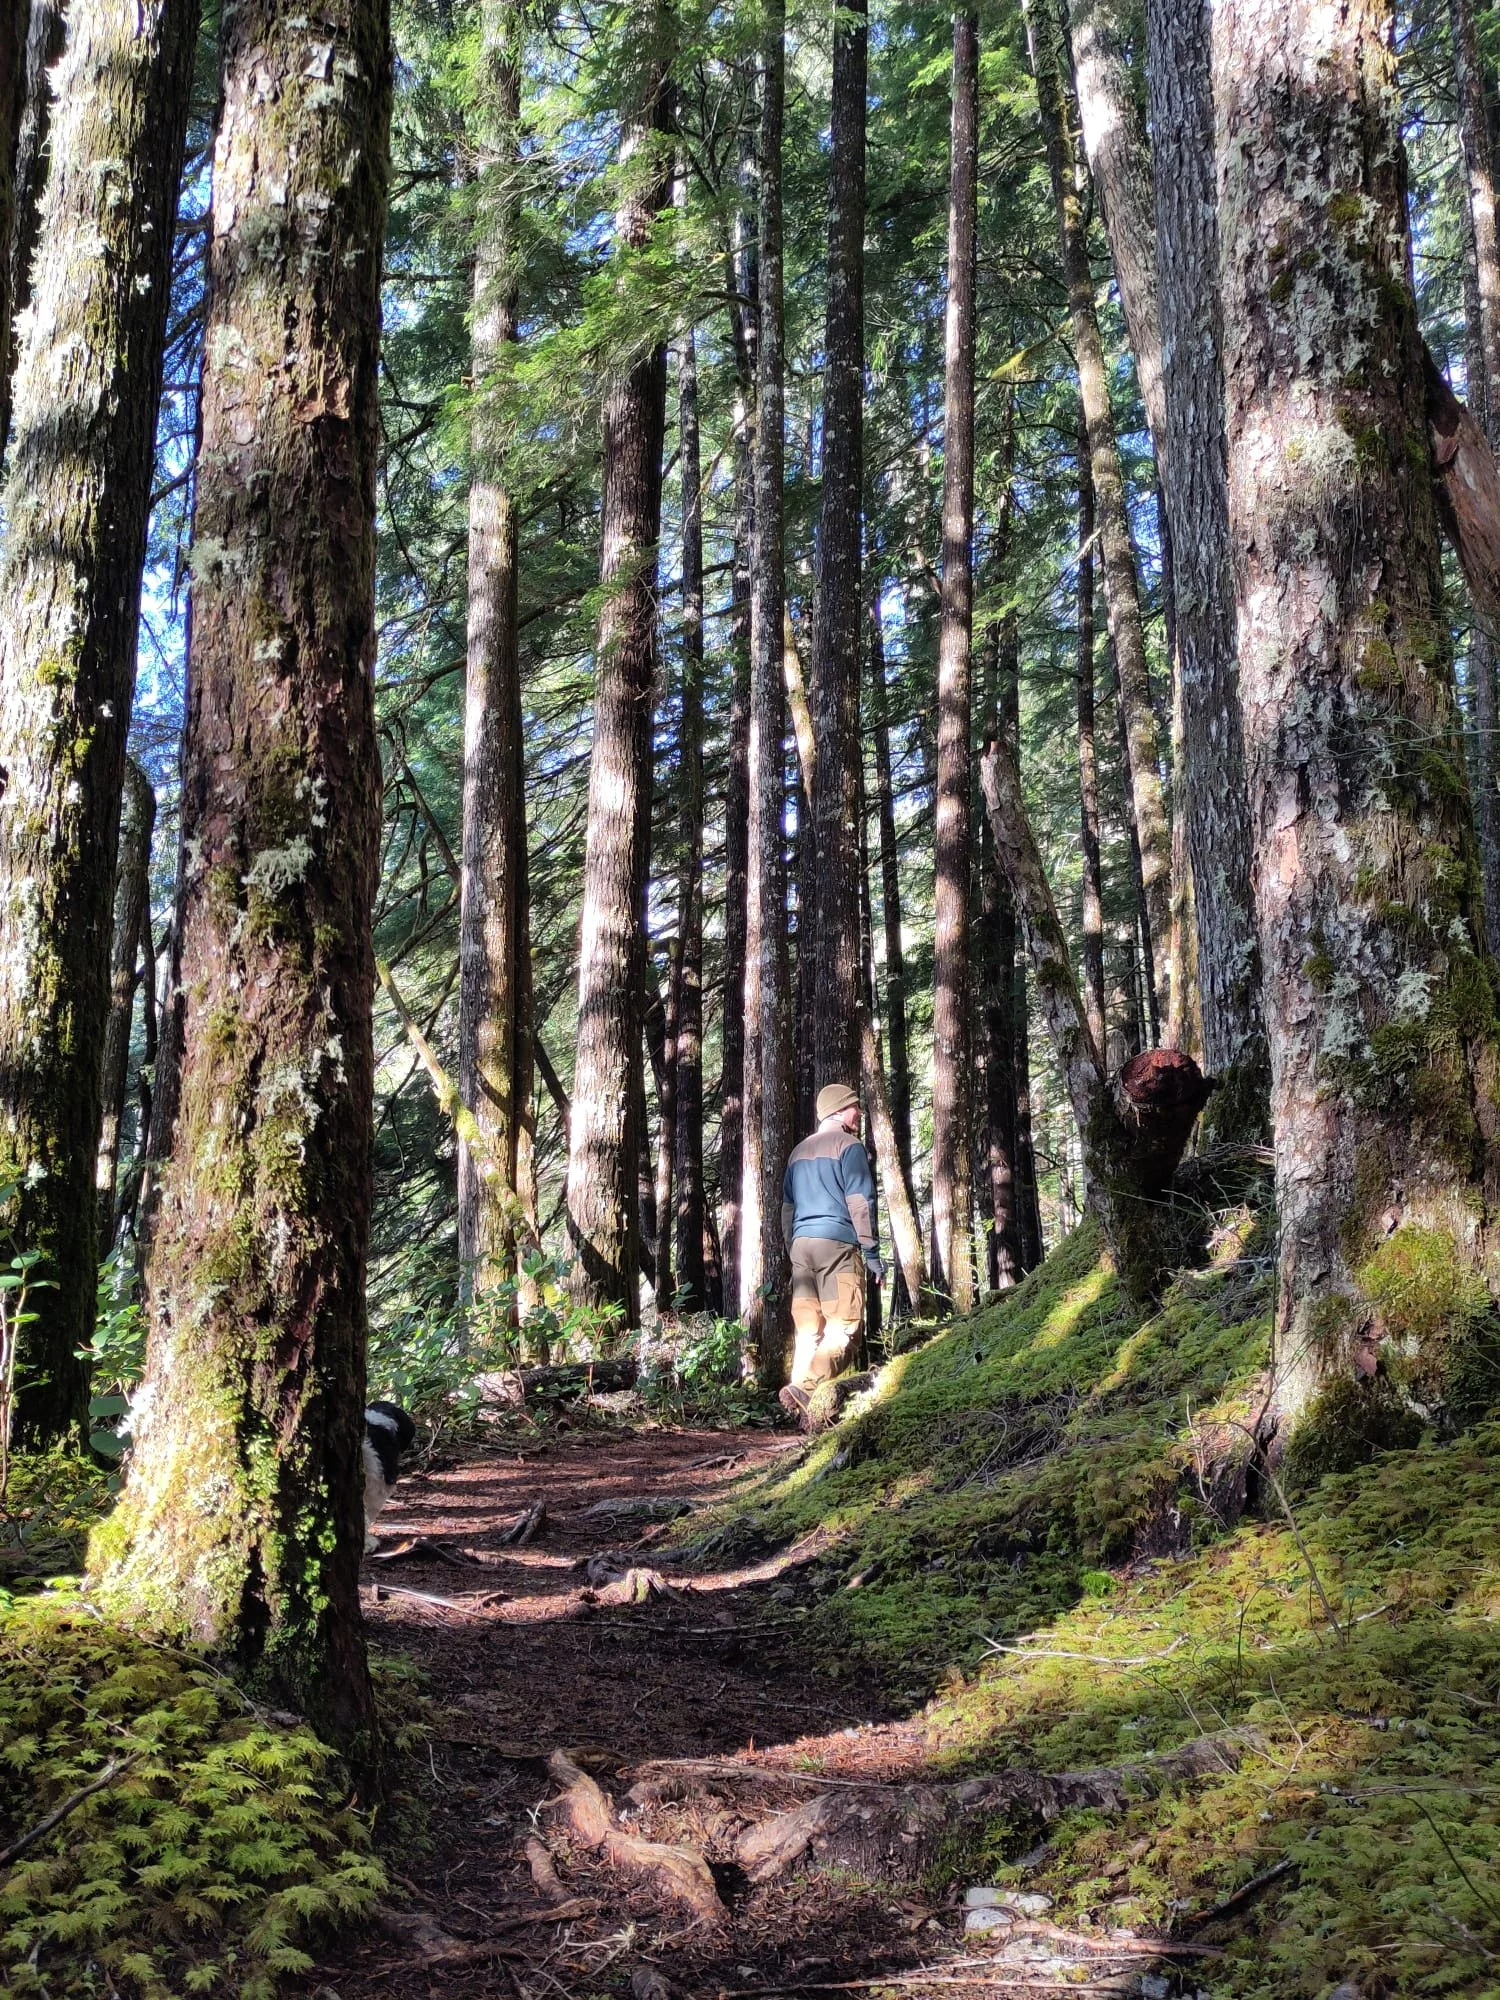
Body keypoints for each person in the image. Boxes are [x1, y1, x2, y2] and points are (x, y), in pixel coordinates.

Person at [778, 1082, 885, 1421]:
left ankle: (800, 1411)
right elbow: (859, 1201)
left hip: (802, 1247)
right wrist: (871, 1253)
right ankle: (808, 1390)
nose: (859, 1112)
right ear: (839, 1111)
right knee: (845, 1325)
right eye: (855, 1106)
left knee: (809, 1331)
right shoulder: (848, 1146)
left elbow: (787, 1208)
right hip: (836, 1247)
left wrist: (792, 1245)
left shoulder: (797, 1152)